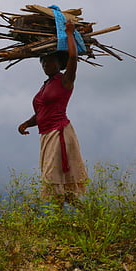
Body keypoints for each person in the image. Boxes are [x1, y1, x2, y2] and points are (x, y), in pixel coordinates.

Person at [18, 21, 88, 205]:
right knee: (56, 179)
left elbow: (73, 58)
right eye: (43, 63)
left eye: (49, 62)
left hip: (59, 133)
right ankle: (85, 215)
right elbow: (42, 111)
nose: (45, 65)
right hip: (46, 134)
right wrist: (27, 123)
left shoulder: (65, 81)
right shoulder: (46, 85)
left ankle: (59, 219)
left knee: (52, 178)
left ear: (59, 63)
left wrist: (70, 34)